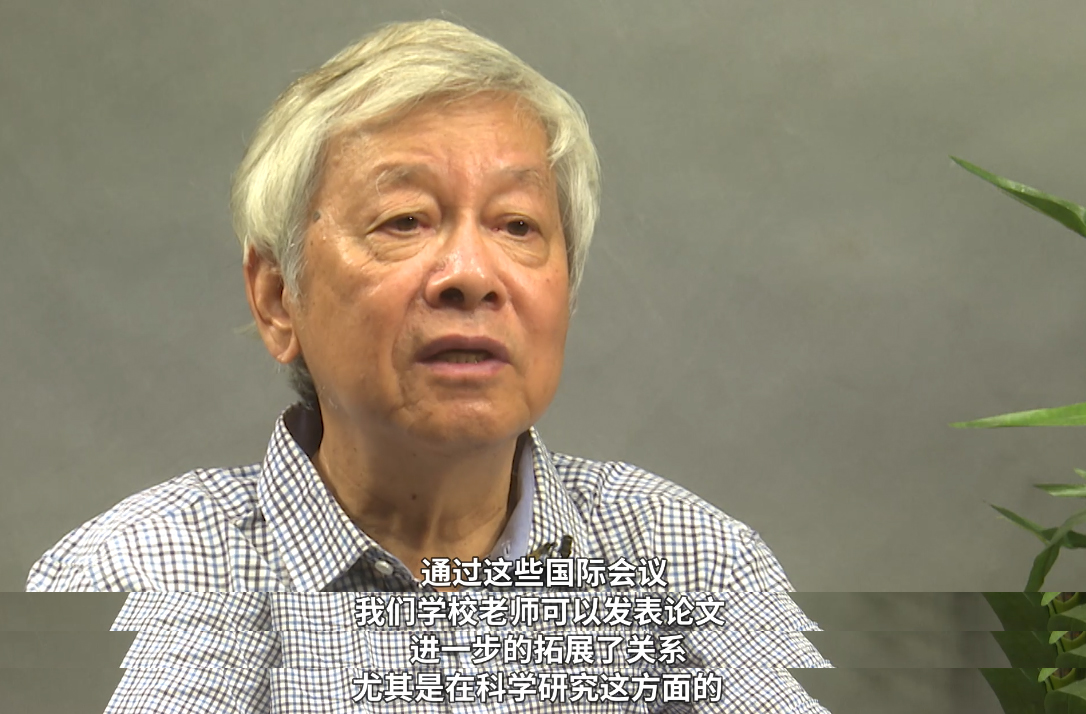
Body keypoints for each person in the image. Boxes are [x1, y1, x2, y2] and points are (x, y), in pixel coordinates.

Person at [27, 19, 832, 713]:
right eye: (405, 220)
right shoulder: (129, 579)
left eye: (517, 225)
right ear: (278, 299)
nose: (472, 275)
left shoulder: (698, 569)